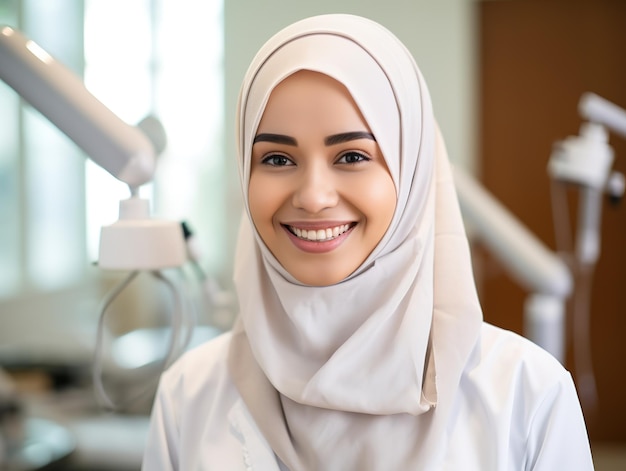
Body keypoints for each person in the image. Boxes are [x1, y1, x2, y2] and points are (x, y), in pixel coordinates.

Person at [142, 14, 594, 470]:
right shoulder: (188, 396)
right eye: (277, 158)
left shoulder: (528, 398)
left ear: (412, 172)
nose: (314, 197)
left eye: (352, 156)